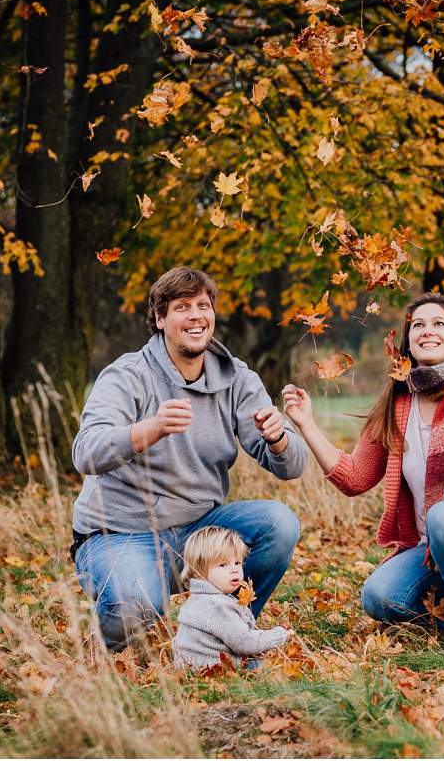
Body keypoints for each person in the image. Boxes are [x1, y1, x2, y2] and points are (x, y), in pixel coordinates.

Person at [281, 293, 444, 656]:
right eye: (418, 325)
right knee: (378, 598)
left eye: (438, 323)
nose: (427, 331)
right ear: (407, 343)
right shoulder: (398, 404)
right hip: (431, 548)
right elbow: (355, 477)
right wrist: (306, 424)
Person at [70, 266, 308, 650]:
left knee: (278, 524)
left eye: (203, 305)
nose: (196, 315)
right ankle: (117, 645)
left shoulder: (237, 379)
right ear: (160, 319)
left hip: (198, 531)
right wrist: (151, 428)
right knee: (135, 602)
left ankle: (222, 633)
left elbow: (292, 467)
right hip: (120, 533)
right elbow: (86, 452)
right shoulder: (127, 375)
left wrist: (278, 438)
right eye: (182, 306)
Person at [173, 526, 293, 667]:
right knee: (275, 666)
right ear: (199, 573)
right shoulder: (217, 606)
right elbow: (244, 642)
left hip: (194, 668)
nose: (234, 569)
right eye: (223, 565)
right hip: (214, 670)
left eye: (237, 563)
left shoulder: (197, 600)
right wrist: (280, 635)